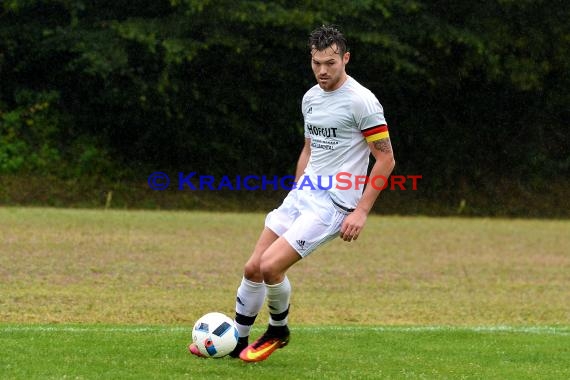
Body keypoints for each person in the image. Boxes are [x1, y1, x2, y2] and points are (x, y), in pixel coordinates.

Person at [189, 25, 395, 362]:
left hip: (333, 204)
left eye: (330, 62)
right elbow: (309, 148)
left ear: (345, 58)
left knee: (271, 267)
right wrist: (298, 188)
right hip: (303, 196)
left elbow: (386, 158)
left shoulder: (362, 102)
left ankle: (278, 330)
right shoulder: (311, 98)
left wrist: (361, 211)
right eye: (316, 63)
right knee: (253, 267)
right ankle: (237, 342)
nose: (323, 71)